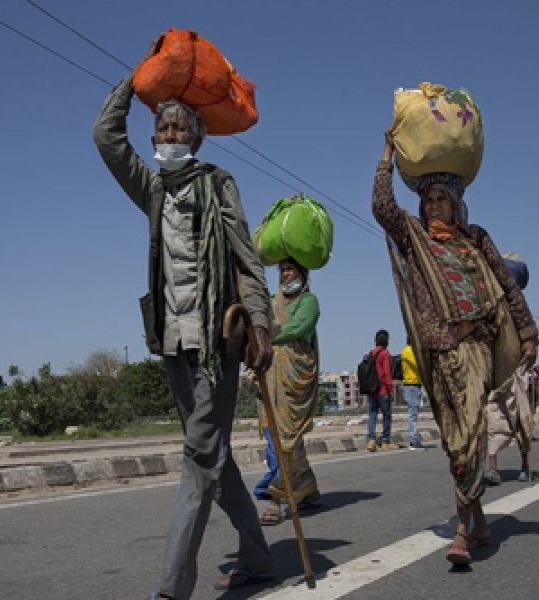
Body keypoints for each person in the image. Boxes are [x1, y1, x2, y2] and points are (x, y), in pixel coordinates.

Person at [93, 39, 274, 597]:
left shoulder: (217, 184)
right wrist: (138, 80)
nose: (170, 137)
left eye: (179, 130)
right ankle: (261, 560)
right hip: (172, 344)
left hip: (218, 343)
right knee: (215, 456)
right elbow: (106, 136)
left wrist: (261, 326)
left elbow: (246, 258)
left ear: (195, 138)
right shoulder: (152, 189)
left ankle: (173, 587)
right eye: (163, 130)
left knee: (198, 460)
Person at [372, 132, 539, 566]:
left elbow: (508, 288)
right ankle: (480, 519)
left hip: (476, 348)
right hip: (439, 353)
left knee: (468, 437)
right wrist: (387, 156)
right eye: (428, 200)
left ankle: (462, 530)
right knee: (454, 442)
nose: (432, 207)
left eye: (440, 200)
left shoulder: (476, 239)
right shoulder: (415, 239)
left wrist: (528, 333)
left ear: (457, 204)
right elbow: (382, 208)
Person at [255, 258, 322, 526]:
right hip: (271, 375)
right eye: (282, 270)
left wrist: (266, 336)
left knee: (286, 436)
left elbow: (298, 328)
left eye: (290, 270)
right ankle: (308, 489)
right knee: (280, 435)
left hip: (295, 377)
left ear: (302, 274)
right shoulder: (272, 303)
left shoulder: (309, 302)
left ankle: (276, 499)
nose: (286, 275)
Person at [366, 329, 396, 451]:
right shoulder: (385, 353)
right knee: (386, 415)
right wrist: (391, 389)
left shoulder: (371, 353)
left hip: (372, 390)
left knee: (373, 414)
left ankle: (371, 440)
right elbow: (387, 374)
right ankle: (385, 441)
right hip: (382, 390)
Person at [401, 336, 424, 449]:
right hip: (413, 384)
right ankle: (413, 440)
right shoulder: (412, 351)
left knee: (412, 413)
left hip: (408, 384)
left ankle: (413, 439)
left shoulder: (404, 351)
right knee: (413, 414)